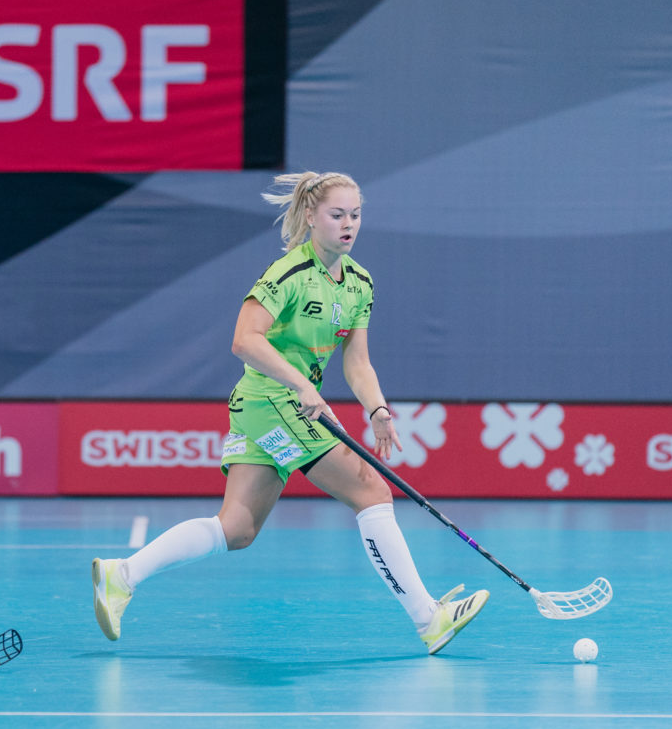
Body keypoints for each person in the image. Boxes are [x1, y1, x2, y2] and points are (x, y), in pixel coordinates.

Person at [92, 171, 489, 655]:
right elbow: (244, 340)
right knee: (370, 490)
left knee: (237, 529)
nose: (348, 224)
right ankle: (429, 619)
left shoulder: (359, 283)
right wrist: (302, 384)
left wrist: (377, 408)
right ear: (310, 216)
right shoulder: (288, 274)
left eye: (356, 215)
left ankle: (123, 575)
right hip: (272, 401)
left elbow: (357, 361)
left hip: (271, 407)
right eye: (337, 214)